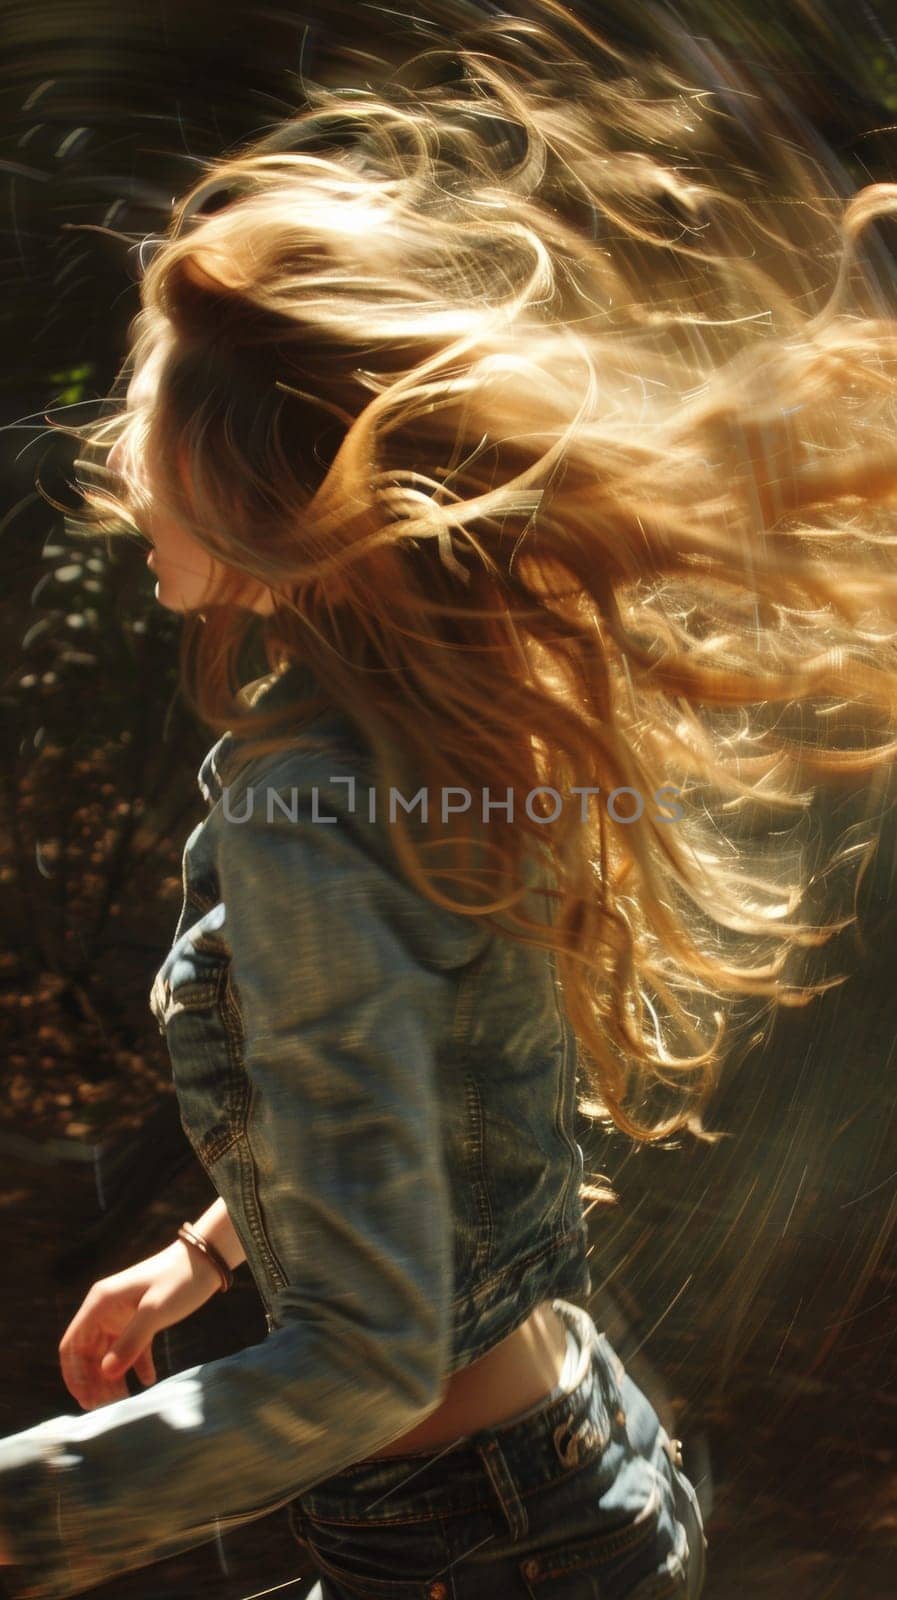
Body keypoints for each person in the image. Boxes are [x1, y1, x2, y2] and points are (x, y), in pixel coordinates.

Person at [4, 1, 897, 1594]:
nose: (120, 455)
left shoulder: (316, 813)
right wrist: (204, 1254)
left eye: (149, 412)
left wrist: (30, 1515)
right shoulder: (425, 737)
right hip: (575, 1462)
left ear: (243, 474)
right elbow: (401, 1092)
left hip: (478, 1546)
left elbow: (362, 1362)